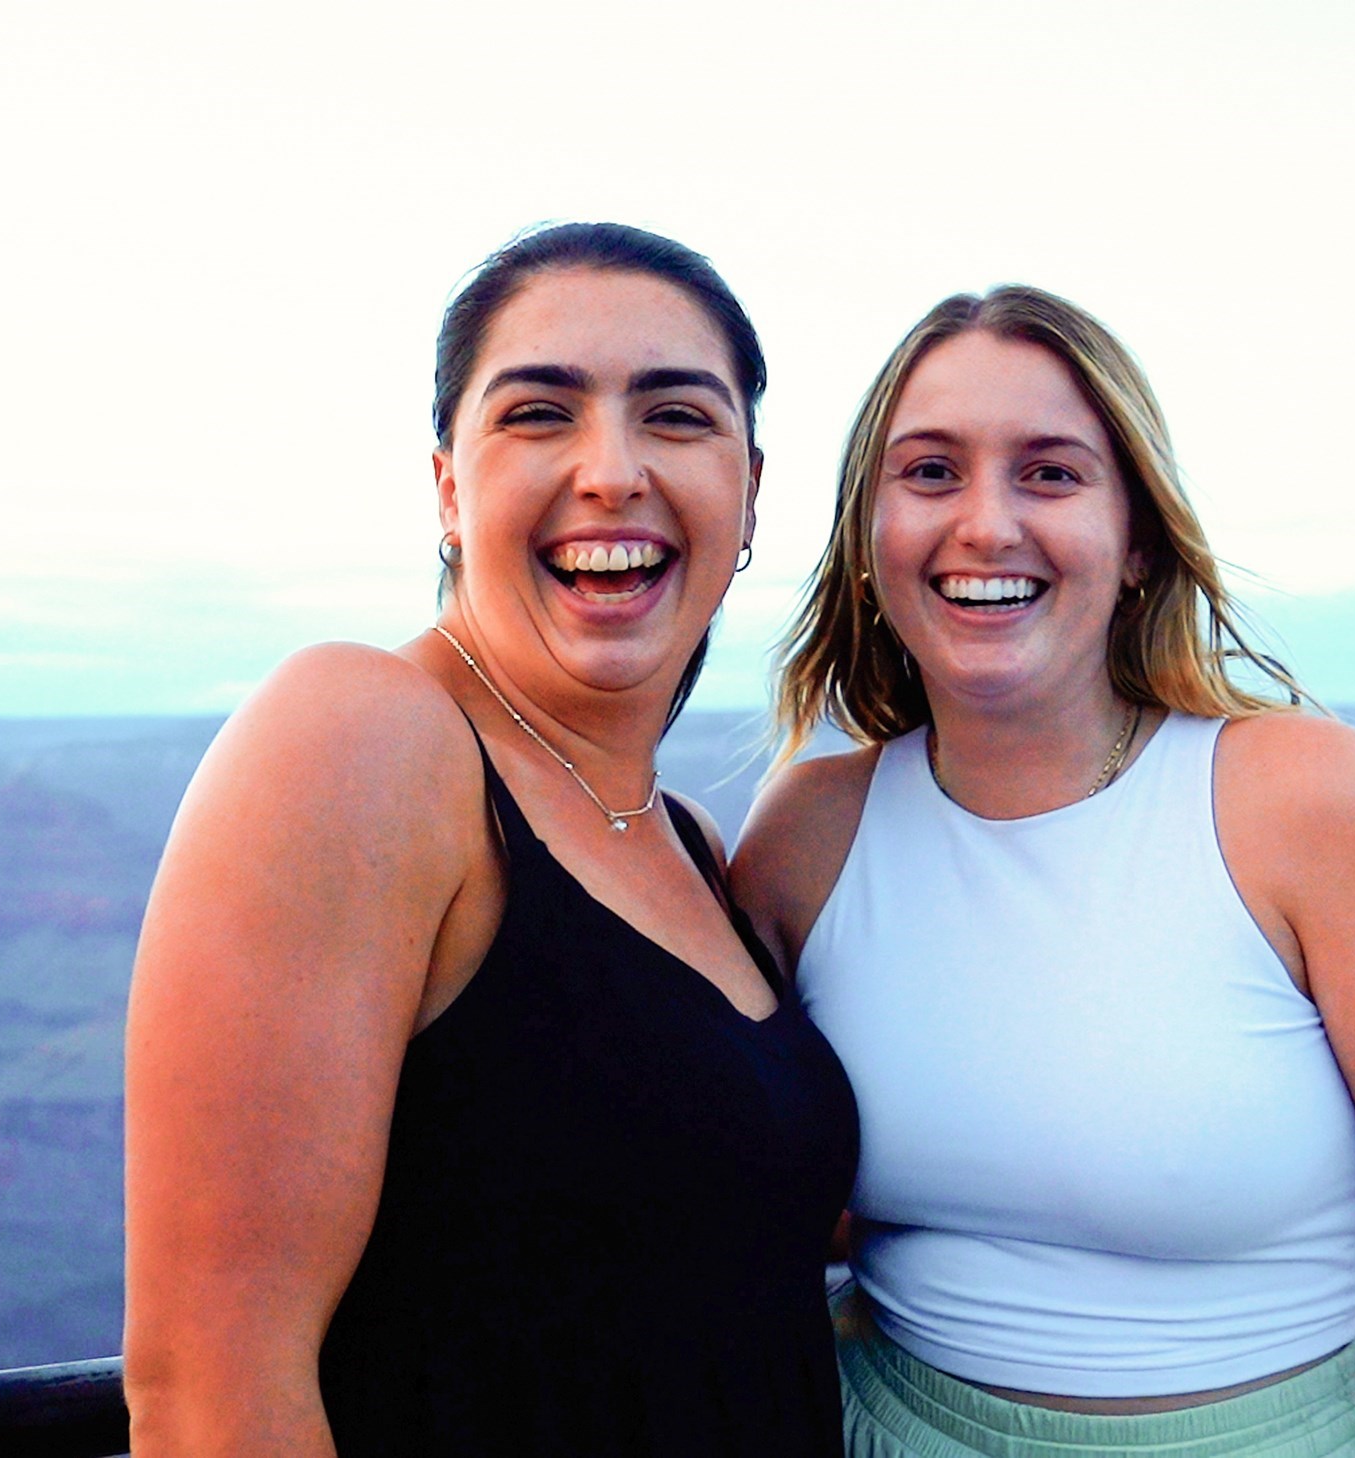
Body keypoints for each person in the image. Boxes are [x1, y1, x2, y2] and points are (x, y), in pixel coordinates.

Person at [734, 286, 1355, 1457]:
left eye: (1050, 473)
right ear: (868, 539)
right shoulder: (807, 836)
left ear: (1136, 539)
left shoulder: (1307, 806)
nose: (985, 524)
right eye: (930, 472)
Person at [121, 223, 859, 1457]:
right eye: (539, 415)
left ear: (749, 494)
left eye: (677, 416)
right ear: (450, 488)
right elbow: (209, 1387)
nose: (613, 470)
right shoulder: (363, 736)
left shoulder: (685, 841)